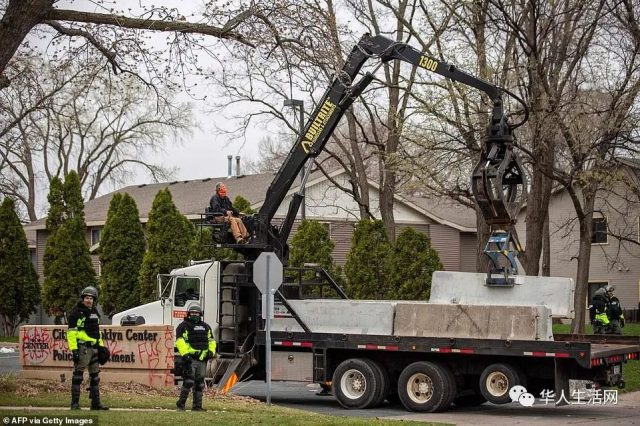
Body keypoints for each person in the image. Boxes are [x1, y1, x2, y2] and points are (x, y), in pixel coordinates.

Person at [67, 286, 109, 410]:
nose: (88, 300)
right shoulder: (76, 313)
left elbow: (97, 331)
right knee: (78, 376)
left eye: (91, 298)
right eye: (86, 298)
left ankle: (95, 404)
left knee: (95, 377)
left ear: (93, 299)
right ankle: (74, 404)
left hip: (95, 348)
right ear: (83, 298)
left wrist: (101, 347)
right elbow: (71, 333)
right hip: (83, 348)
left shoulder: (95, 312)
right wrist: (74, 350)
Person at [175, 304, 217, 411]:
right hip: (190, 359)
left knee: (200, 384)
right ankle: (180, 405)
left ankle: (197, 407)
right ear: (189, 314)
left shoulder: (206, 326)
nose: (195, 315)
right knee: (188, 382)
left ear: (200, 314)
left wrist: (211, 352)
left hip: (202, 359)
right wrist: (185, 355)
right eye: (192, 313)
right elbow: (180, 341)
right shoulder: (183, 326)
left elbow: (211, 341)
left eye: (196, 313)